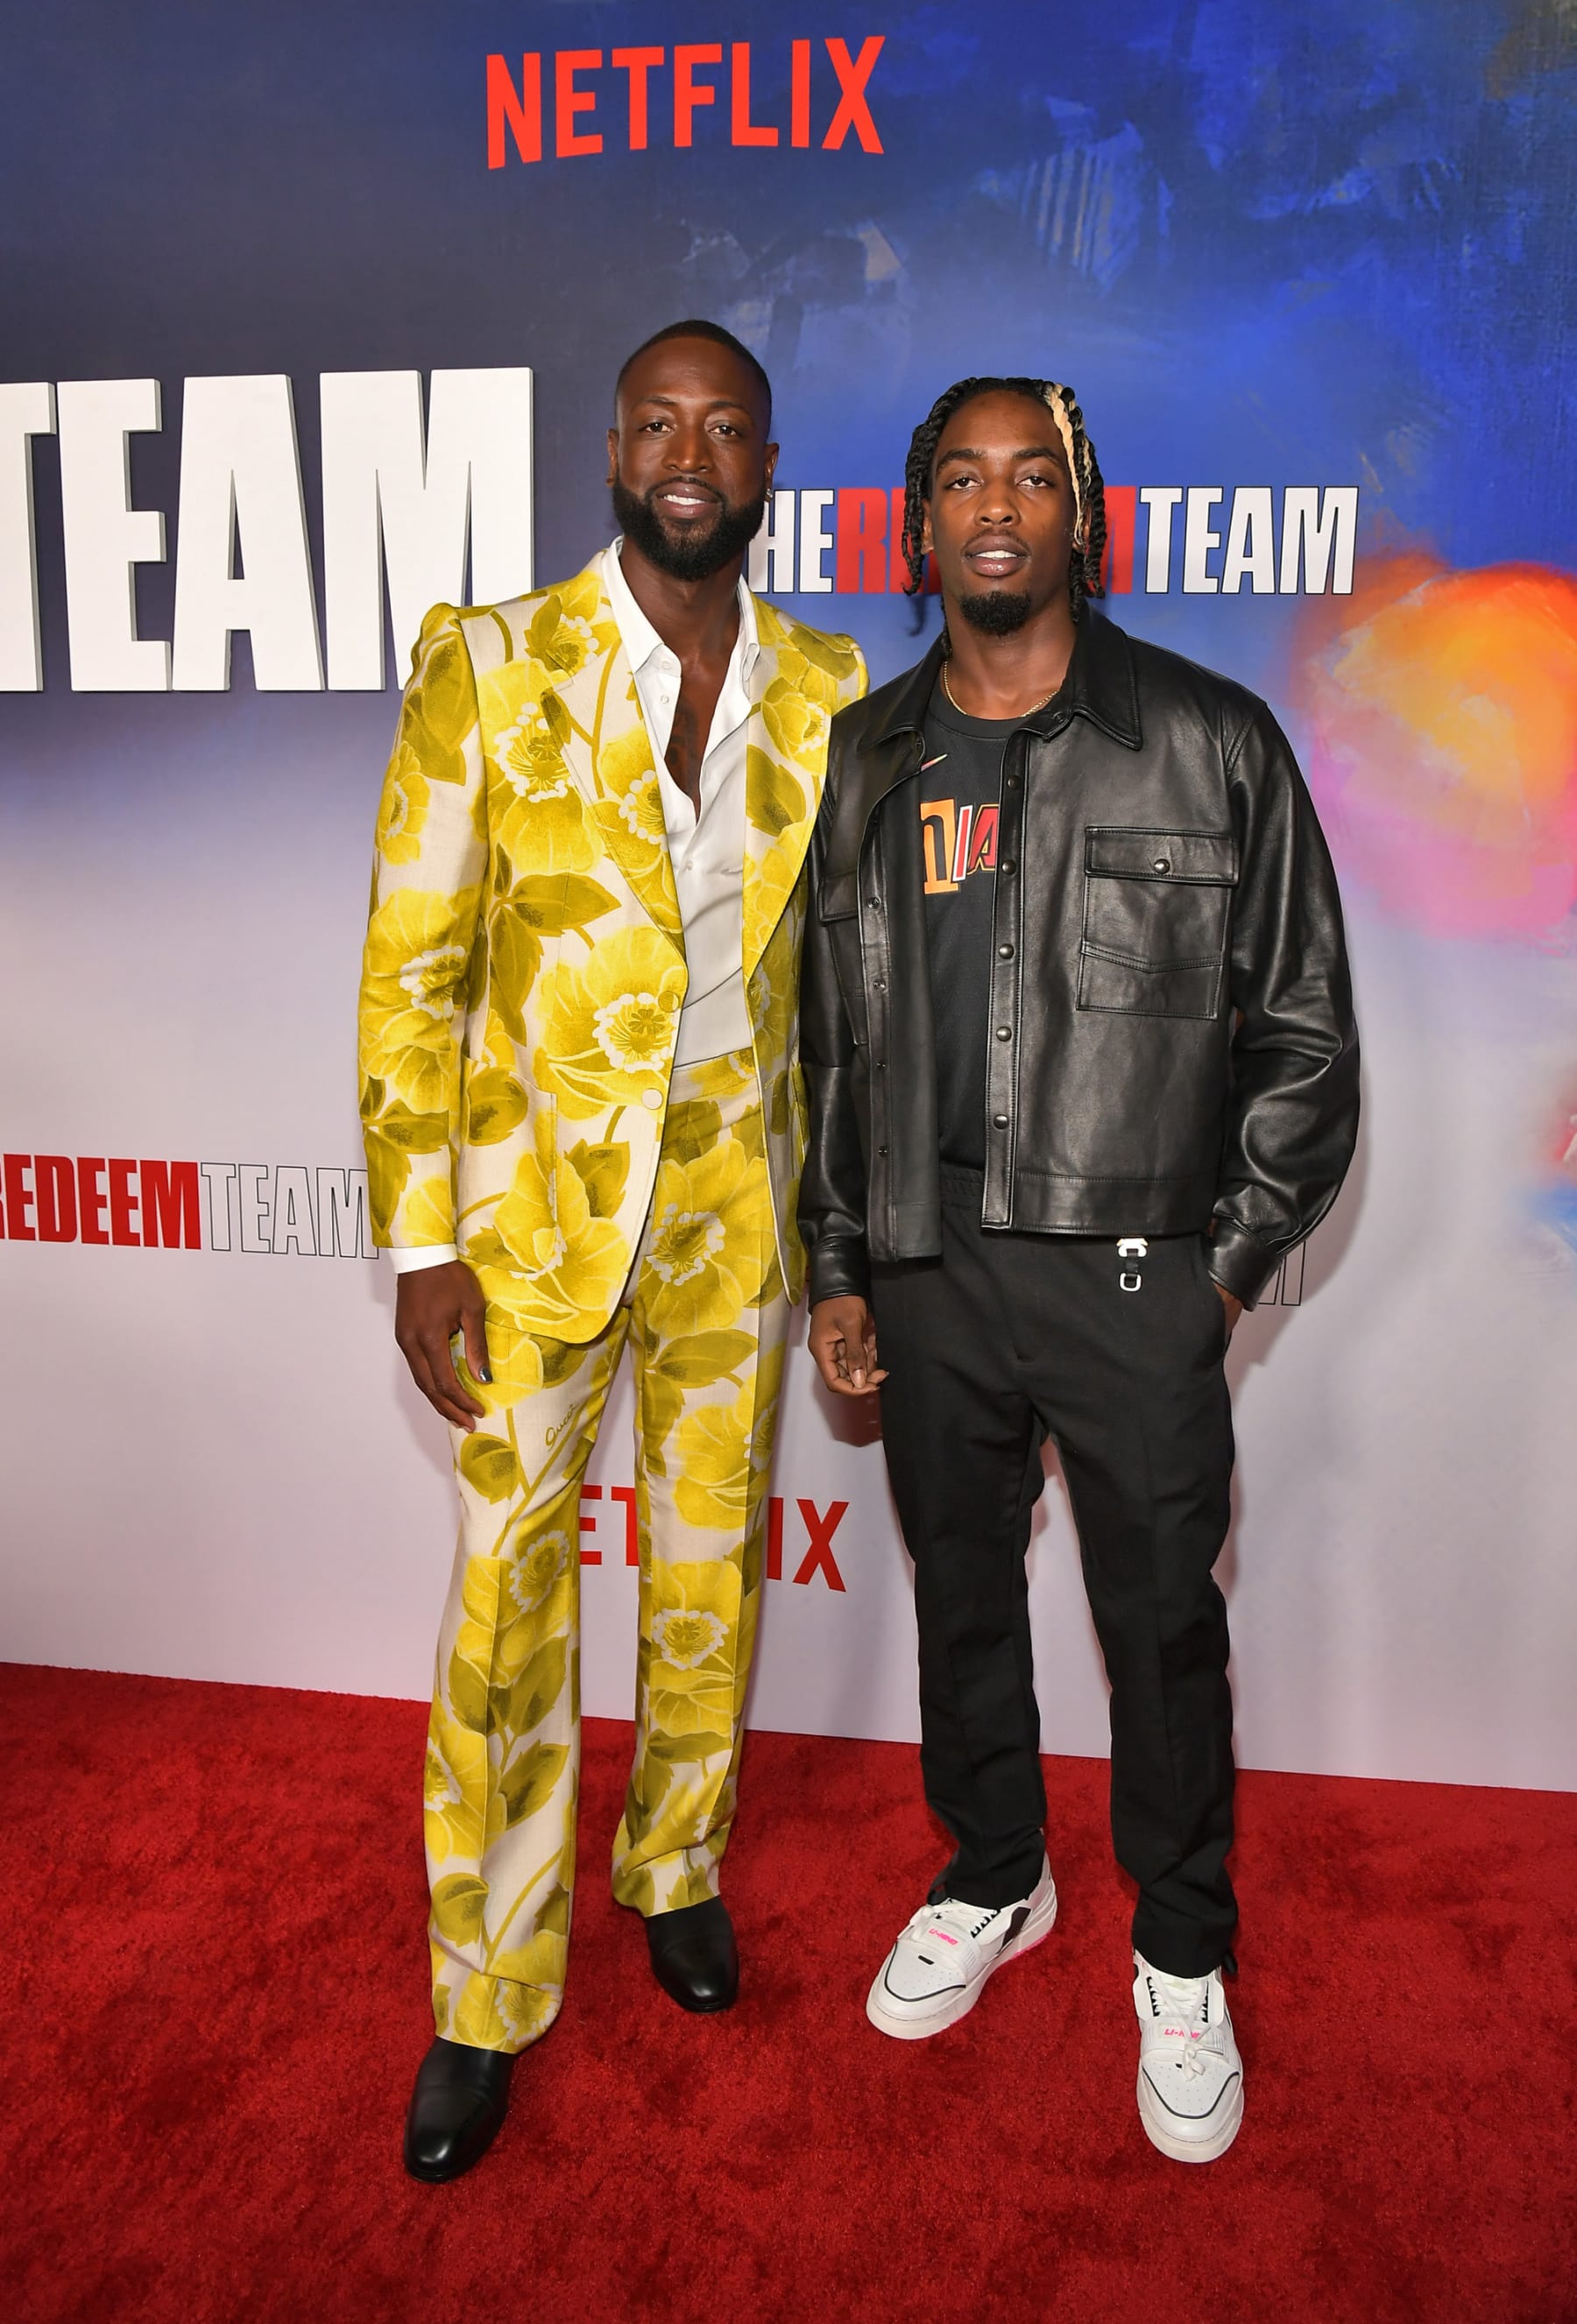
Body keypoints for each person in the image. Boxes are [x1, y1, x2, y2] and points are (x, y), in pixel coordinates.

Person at [799, 374, 1358, 2164]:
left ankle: (1182, 1950)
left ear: (1080, 514)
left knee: (1161, 1626)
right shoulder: (868, 756)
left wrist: (1219, 1274)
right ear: (919, 523)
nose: (995, 506)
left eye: (1031, 477)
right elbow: (832, 1037)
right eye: (961, 478)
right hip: (929, 1266)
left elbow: (1306, 1041)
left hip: (1137, 1273)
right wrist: (840, 1260)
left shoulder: (1213, 739)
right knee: (961, 1596)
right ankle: (995, 1872)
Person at [359, 319, 866, 2183]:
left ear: (766, 467)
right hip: (528, 1215)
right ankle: (485, 1987)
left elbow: (840, 990)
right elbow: (413, 967)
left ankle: (674, 1861)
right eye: (659, 423)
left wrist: (843, 1231)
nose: (688, 455)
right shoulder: (489, 661)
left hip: (738, 1193)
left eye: (724, 429)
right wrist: (424, 1237)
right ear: (612, 452)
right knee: (507, 1597)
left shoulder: (827, 684)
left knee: (706, 1560)